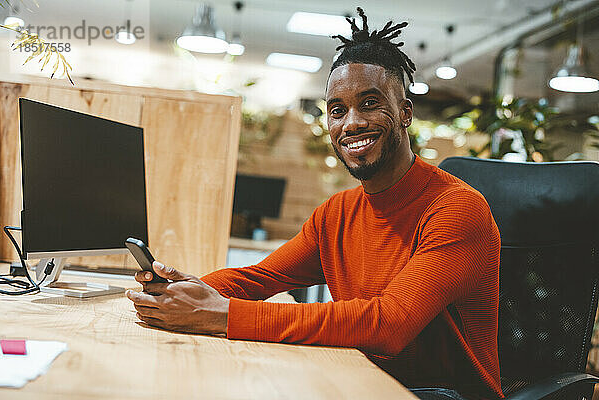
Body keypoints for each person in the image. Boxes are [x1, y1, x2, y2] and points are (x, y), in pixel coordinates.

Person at [127, 8, 503, 400]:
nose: (351, 123)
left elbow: (389, 325)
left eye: (370, 103)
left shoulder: (458, 209)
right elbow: (258, 278)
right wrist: (183, 290)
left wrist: (221, 314)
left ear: (405, 113)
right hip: (359, 382)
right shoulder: (337, 213)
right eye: (337, 110)